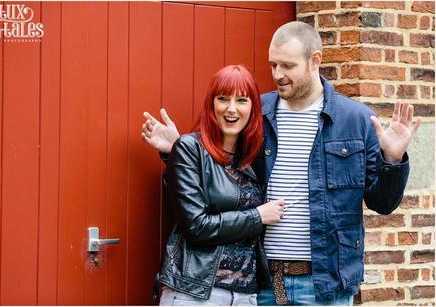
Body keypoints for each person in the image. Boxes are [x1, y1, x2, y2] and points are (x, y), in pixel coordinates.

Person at [142, 22, 421, 306]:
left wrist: (393, 160)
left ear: (315, 61)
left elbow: (382, 203)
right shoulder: (257, 113)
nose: (277, 75)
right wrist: (178, 149)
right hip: (260, 281)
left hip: (323, 284)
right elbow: (221, 168)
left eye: (287, 66)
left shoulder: (355, 120)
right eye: (273, 65)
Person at [154, 65, 285, 306]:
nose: (231, 108)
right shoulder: (189, 148)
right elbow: (196, 226)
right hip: (196, 294)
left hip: (246, 296)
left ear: (253, 108)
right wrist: (257, 216)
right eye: (223, 98)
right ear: (212, 104)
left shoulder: (252, 159)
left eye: (242, 100)